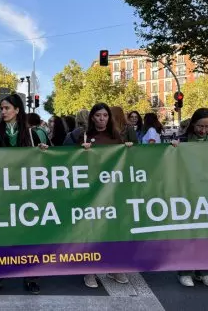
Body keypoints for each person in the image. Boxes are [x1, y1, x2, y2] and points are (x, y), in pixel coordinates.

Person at [0, 94, 48, 295]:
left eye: (7, 108)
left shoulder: (34, 134)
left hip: (26, 194)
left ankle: (31, 276)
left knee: (28, 236)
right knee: (1, 236)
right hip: (2, 194)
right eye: (1, 108)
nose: (3, 111)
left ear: (17, 110)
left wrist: (43, 151)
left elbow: (47, 161)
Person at [171, 108, 208, 288]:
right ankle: (186, 271)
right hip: (187, 192)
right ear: (192, 124)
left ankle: (204, 271)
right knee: (188, 233)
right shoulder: (182, 140)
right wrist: (172, 149)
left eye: (207, 127)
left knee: (207, 233)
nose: (203, 130)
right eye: (200, 126)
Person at [77, 103, 133, 288]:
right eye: (98, 115)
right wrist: (80, 152)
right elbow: (65, 159)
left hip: (112, 191)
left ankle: (114, 267)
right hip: (90, 192)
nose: (102, 119)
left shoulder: (116, 137)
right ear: (92, 117)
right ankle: (89, 271)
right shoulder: (83, 136)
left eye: (105, 115)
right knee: (92, 231)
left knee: (113, 229)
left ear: (109, 118)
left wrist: (130, 149)